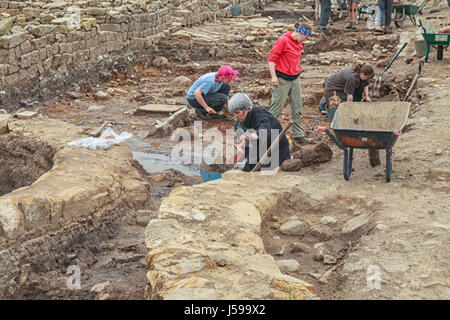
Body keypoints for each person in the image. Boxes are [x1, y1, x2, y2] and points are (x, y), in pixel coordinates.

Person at [267, 21, 313, 146]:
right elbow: (271, 59)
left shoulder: (299, 43)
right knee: (276, 107)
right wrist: (273, 77)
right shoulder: (283, 41)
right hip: (281, 78)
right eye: (305, 37)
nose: (305, 40)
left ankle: (298, 135)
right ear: (299, 33)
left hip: (295, 78)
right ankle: (265, 133)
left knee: (297, 107)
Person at [228, 93, 291, 172]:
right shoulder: (240, 122)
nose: (235, 116)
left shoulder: (260, 115)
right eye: (233, 113)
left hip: (275, 150)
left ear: (247, 109)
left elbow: (264, 130)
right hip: (258, 149)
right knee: (247, 168)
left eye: (237, 112)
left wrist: (251, 136)